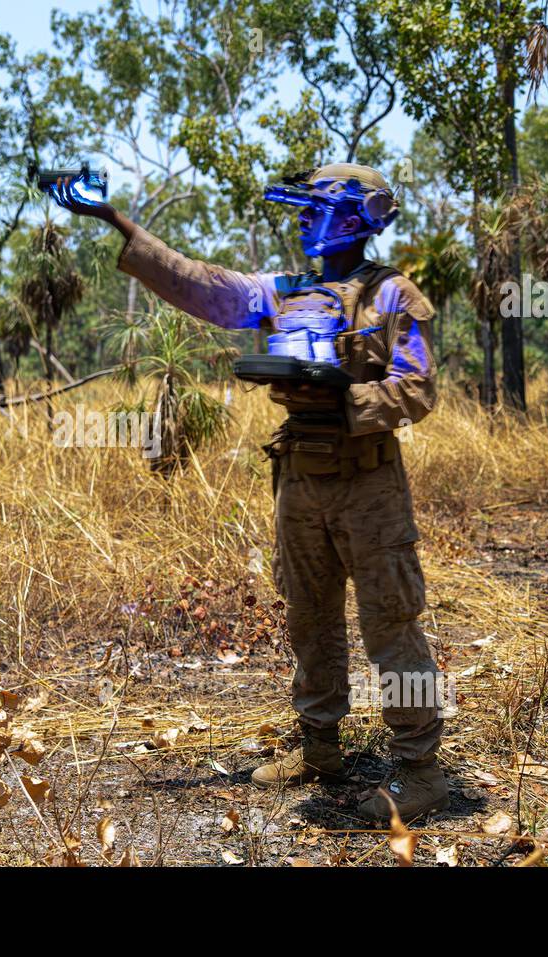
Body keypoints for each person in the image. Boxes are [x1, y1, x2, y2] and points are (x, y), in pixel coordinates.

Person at [46, 163, 448, 822]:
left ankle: (420, 769)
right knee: (308, 615)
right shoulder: (284, 289)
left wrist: (344, 394)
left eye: (311, 209)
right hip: (298, 475)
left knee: (390, 621)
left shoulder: (392, 294)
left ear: (353, 218)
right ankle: (319, 746)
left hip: (368, 479)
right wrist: (113, 219)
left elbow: (418, 389)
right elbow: (207, 287)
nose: (298, 220)